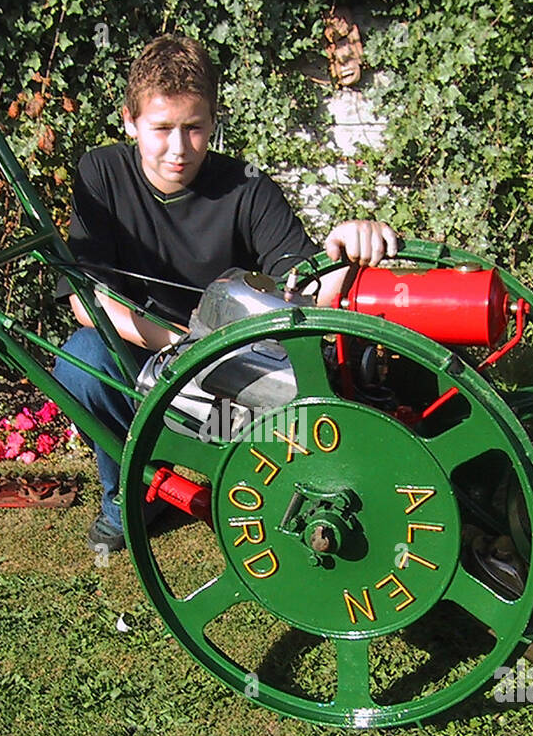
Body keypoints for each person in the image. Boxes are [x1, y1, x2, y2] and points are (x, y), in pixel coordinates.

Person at [53, 34, 399, 555]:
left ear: (213, 121)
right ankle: (129, 495)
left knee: (295, 384)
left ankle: (240, 465)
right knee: (81, 361)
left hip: (229, 366)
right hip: (144, 348)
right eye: (161, 129)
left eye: (194, 128)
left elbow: (305, 289)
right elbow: (87, 302)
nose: (178, 148)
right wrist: (180, 345)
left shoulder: (247, 187)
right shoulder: (101, 174)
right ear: (130, 121)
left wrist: (346, 245)